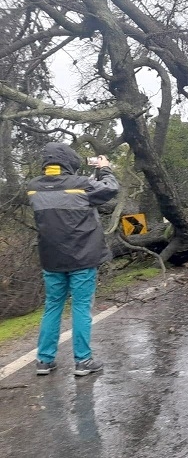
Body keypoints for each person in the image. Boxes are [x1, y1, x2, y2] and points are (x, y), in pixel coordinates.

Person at [27, 142, 120, 376]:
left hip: (51, 259)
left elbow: (63, 195)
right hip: (82, 257)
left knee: (52, 307)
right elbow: (110, 189)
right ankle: (83, 361)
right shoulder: (81, 185)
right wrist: (105, 168)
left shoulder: (33, 187)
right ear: (69, 161)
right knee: (80, 307)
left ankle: (44, 361)